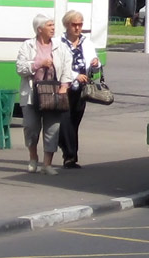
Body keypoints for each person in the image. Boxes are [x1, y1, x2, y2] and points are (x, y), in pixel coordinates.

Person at [15, 14, 74, 175]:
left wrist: (64, 86)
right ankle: (33, 158)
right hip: (32, 94)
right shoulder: (27, 46)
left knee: (52, 129)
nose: (53, 28)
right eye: (49, 25)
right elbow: (20, 68)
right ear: (39, 29)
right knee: (31, 127)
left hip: (53, 93)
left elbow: (67, 66)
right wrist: (38, 64)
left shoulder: (60, 46)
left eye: (53, 25)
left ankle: (47, 164)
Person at [57, 10, 100, 169]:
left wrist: (96, 63)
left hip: (82, 89)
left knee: (74, 122)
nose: (77, 28)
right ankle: (69, 156)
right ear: (67, 25)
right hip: (64, 87)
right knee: (65, 121)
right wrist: (75, 75)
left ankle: (70, 153)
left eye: (80, 24)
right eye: (74, 24)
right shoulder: (59, 42)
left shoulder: (86, 43)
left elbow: (94, 64)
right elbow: (59, 65)